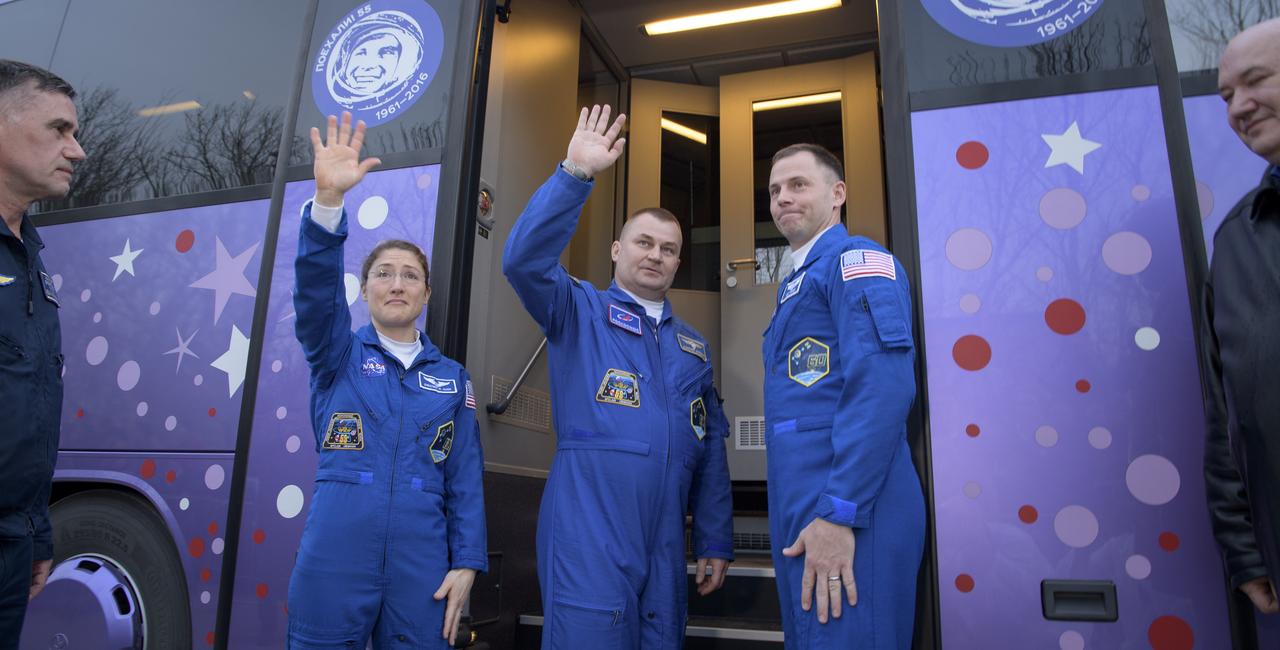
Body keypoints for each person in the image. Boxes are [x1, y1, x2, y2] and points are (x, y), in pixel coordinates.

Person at [502, 105, 733, 648]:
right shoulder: (577, 309)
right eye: (644, 242)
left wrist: (715, 537)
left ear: (678, 265)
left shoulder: (693, 348)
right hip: (591, 527)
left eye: (668, 249)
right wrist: (574, 175)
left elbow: (711, 446)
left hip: (665, 539)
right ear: (616, 250)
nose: (655, 255)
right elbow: (522, 262)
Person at [287, 111, 487, 648]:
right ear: (365, 290)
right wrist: (328, 204)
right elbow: (313, 296)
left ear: (425, 295)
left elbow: (464, 477)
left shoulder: (453, 379)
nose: (396, 284)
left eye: (410, 276)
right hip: (335, 557)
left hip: (423, 566)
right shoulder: (337, 355)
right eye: (384, 273)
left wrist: (466, 563)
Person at [761, 143, 924, 649]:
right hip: (807, 498)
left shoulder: (857, 261)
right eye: (773, 190)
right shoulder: (800, 279)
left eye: (797, 184)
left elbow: (883, 386)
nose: (782, 198)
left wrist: (839, 511)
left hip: (851, 505)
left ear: (838, 194)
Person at [0, 59, 84, 647]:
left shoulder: (31, 259)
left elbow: (28, 408)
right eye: (59, 130)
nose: (76, 151)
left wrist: (33, 535)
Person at [1202, 16, 1280, 616]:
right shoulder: (1237, 238)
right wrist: (1246, 549)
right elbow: (1228, 405)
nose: (1239, 108)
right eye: (1228, 95)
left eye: (1256, 82)